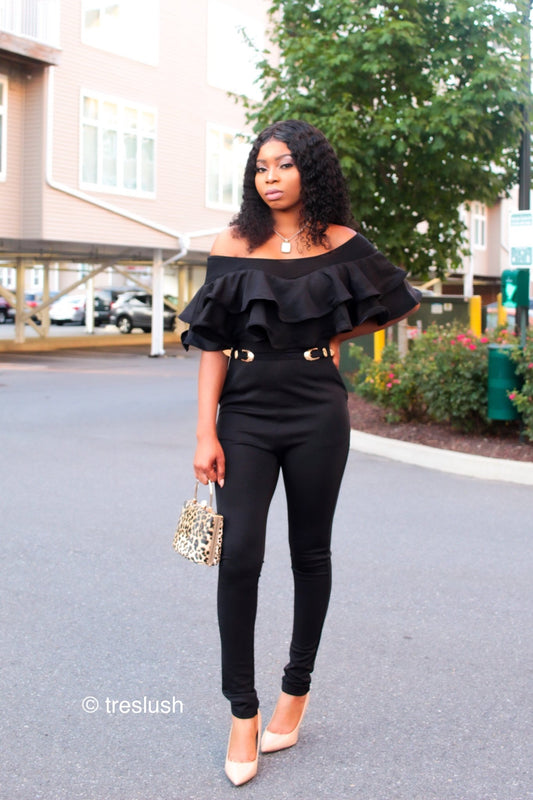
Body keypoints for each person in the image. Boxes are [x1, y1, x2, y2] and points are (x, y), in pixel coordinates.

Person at [179, 119, 421, 785]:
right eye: (261, 167)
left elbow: (393, 302)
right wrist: (205, 432)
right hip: (245, 414)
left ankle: (295, 688)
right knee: (240, 551)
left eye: (283, 164)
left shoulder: (339, 243)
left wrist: (336, 327)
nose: (271, 177)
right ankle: (242, 711)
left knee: (310, 552)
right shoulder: (232, 243)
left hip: (318, 410)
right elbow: (208, 344)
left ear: (307, 170)